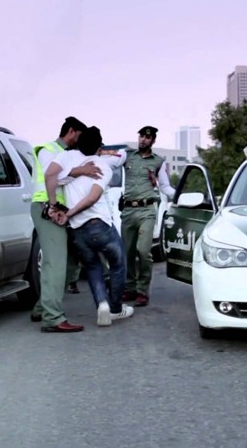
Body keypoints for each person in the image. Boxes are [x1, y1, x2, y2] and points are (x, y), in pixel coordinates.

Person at [44, 126, 133, 326]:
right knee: (118, 263)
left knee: (93, 267)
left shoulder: (65, 157)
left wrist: (54, 206)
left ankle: (102, 304)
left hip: (77, 231)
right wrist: (69, 213)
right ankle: (115, 309)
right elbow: (92, 198)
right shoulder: (102, 165)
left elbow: (49, 176)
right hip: (99, 225)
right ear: (99, 147)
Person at [30, 116, 102, 333]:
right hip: (48, 208)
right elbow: (52, 177)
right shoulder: (47, 150)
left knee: (71, 261)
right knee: (55, 263)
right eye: (79, 136)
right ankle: (52, 318)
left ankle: (42, 308)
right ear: (71, 131)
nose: (81, 141)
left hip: (63, 212)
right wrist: (79, 171)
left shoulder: (71, 154)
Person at [106, 125, 175, 307]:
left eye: (147, 137)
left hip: (147, 210)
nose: (143, 140)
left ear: (153, 140)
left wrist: (179, 196)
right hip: (128, 210)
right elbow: (108, 164)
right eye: (141, 136)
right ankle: (130, 288)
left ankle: (142, 291)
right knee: (127, 252)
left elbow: (165, 187)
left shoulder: (158, 161)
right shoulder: (126, 155)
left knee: (143, 251)